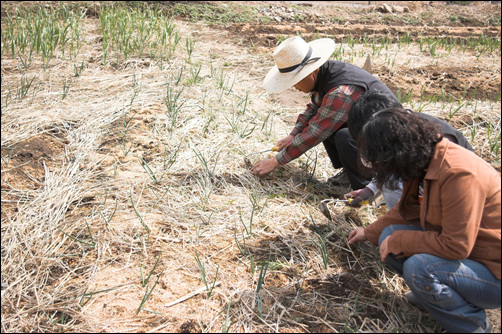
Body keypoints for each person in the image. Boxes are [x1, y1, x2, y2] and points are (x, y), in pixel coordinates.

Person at [347, 108, 501, 333]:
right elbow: (405, 211)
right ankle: (436, 296)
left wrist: (402, 240)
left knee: (420, 267)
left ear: (397, 152)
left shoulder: (458, 174)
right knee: (387, 236)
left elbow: (456, 245)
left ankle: (473, 327)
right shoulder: (423, 161)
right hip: (473, 258)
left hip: (493, 272)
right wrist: (368, 232)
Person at [250, 36, 398, 192]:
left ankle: (372, 187)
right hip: (371, 134)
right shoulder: (327, 73)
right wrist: (293, 135)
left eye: (296, 81)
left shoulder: (340, 92)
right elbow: (314, 108)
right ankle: (351, 173)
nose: (294, 87)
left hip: (389, 147)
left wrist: (275, 161)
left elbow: (316, 132)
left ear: (311, 72)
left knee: (343, 136)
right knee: (332, 125)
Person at [344, 90, 475, 209]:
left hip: (451, 209)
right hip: (428, 211)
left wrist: (403, 235)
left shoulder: (439, 151)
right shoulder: (403, 133)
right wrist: (370, 189)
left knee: (392, 186)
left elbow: (452, 229)